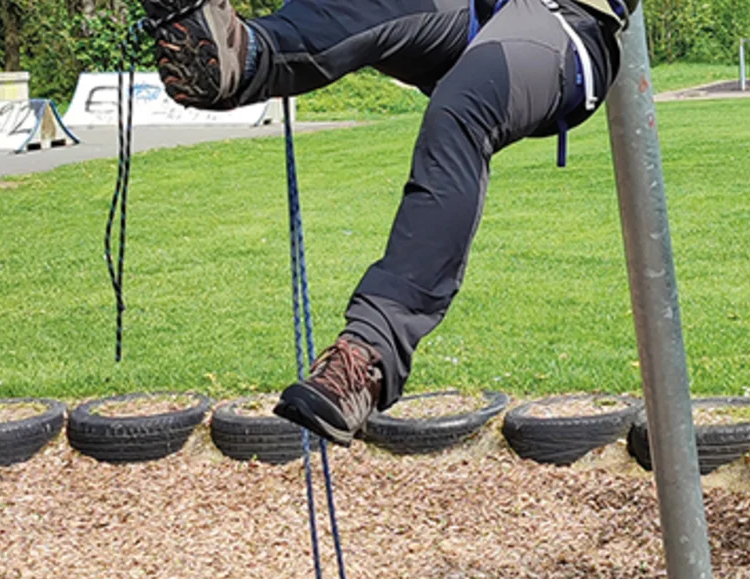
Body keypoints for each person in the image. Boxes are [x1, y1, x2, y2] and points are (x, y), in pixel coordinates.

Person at [139, 0, 633, 443]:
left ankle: (371, 355)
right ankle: (238, 56)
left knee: (462, 111)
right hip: (471, 10)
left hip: (565, 22)